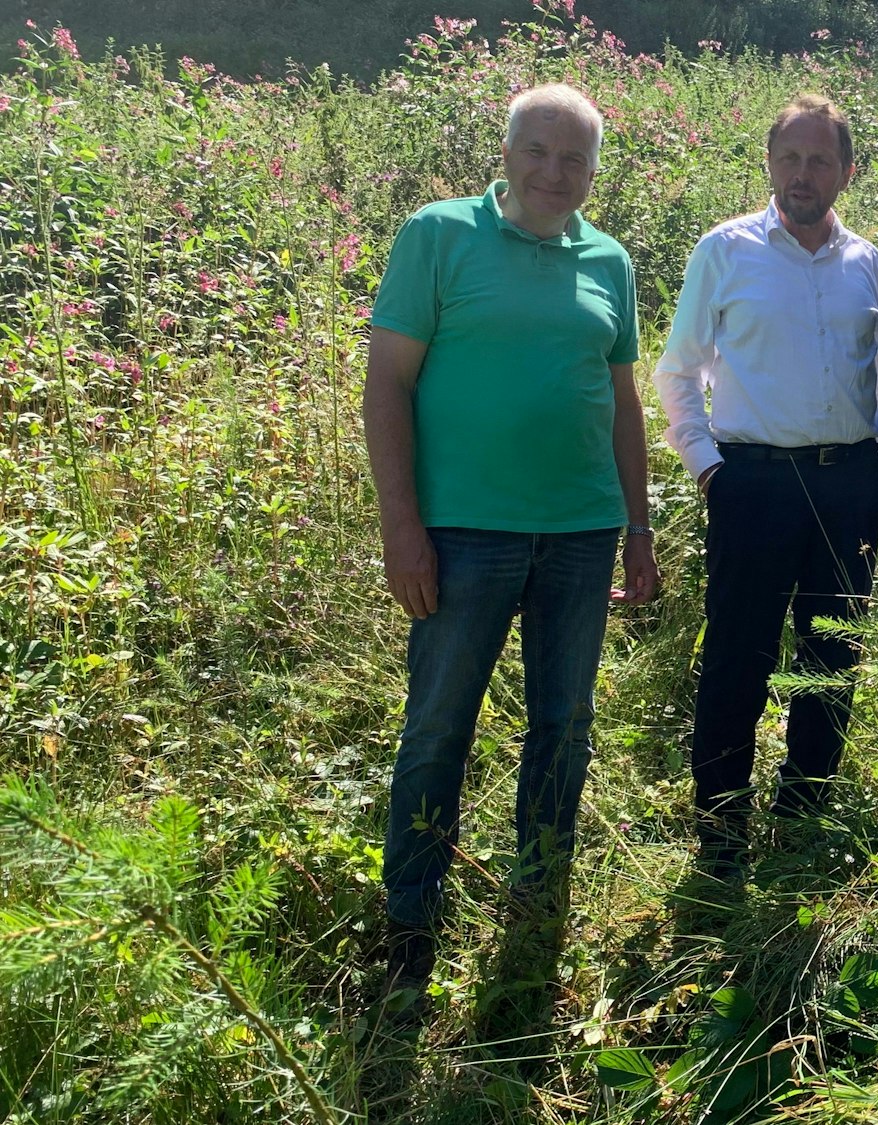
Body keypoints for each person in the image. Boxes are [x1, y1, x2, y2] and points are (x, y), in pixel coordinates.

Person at [364, 83, 656, 1008]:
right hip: (462, 536)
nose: (554, 172)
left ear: (595, 170)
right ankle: (411, 918)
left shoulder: (607, 260)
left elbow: (622, 404)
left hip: (581, 532)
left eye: (574, 158)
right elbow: (386, 389)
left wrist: (640, 528)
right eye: (537, 150)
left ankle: (538, 899)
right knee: (439, 726)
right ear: (505, 151)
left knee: (563, 725)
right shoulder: (438, 236)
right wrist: (402, 527)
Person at [655, 95, 878, 879]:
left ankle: (805, 814)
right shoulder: (724, 251)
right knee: (736, 659)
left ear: (847, 173)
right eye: (789, 156)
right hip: (750, 484)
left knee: (832, 658)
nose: (803, 173)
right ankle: (721, 830)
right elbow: (678, 371)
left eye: (821, 159)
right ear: (768, 164)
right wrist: (708, 467)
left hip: (846, 485)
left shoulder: (871, 264)